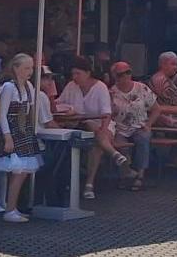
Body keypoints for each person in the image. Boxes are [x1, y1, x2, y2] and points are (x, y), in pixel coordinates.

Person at [54, 57, 128, 202]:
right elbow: (59, 103)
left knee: (97, 143)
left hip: (101, 124)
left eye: (78, 74)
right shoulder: (71, 86)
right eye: (73, 74)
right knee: (91, 129)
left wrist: (104, 129)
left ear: (88, 73)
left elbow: (106, 113)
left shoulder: (100, 87)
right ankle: (113, 155)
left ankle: (89, 183)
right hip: (79, 125)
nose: (75, 77)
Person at [0, 53, 44, 220]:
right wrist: (7, 137)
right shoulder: (9, 87)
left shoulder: (29, 87)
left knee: (22, 170)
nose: (30, 71)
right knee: (16, 170)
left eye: (31, 67)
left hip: (23, 129)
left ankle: (12, 207)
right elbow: (2, 114)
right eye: (26, 68)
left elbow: (30, 110)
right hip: (10, 130)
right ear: (16, 68)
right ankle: (8, 209)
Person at [108, 61, 156, 191]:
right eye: (120, 74)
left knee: (143, 139)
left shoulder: (142, 88)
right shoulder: (111, 92)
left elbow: (156, 109)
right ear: (114, 76)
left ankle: (140, 175)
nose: (125, 76)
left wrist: (148, 124)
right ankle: (125, 174)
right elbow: (108, 114)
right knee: (119, 144)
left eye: (128, 72)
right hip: (120, 128)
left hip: (139, 125)